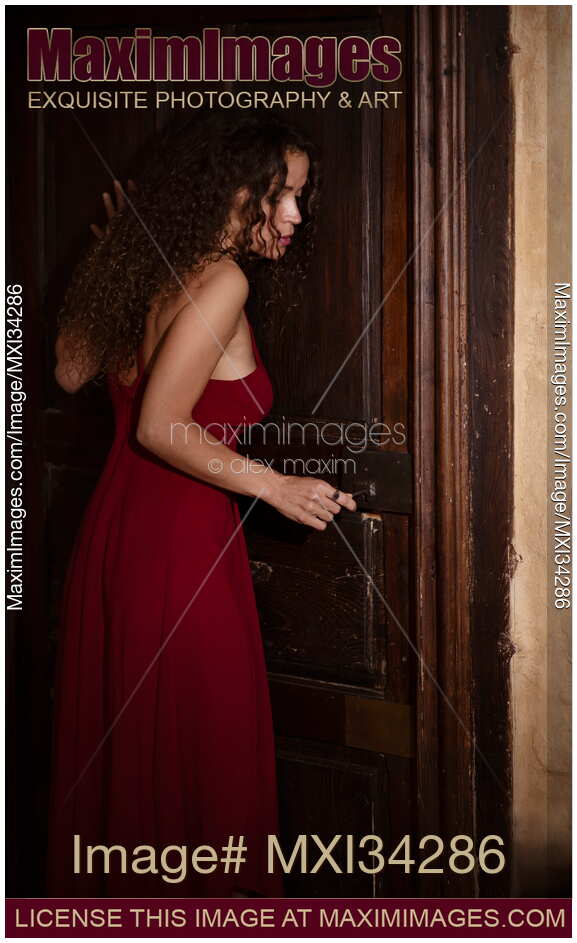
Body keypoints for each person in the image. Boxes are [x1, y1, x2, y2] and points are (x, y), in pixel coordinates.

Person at [47, 113, 357, 898]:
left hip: (116, 543)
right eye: (283, 194)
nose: (296, 214)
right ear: (233, 190)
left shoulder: (151, 270)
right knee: (203, 764)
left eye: (301, 197)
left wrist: (107, 252)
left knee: (140, 764)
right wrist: (274, 485)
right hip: (178, 552)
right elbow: (159, 426)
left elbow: (67, 370)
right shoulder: (223, 280)